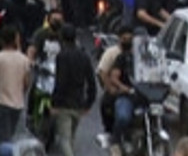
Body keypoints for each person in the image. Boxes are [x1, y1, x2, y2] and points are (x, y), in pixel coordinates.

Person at [50, 25, 96, 156]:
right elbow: (91, 81)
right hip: (79, 102)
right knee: (71, 137)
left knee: (64, 140)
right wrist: (89, 102)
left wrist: (54, 102)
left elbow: (60, 81)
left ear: (62, 38)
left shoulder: (62, 56)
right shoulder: (84, 56)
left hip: (64, 104)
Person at [0, 26, 31, 145]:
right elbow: (26, 83)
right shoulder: (24, 59)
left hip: (1, 101)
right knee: (10, 134)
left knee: (3, 138)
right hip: (18, 103)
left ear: (1, 40)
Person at [99, 25, 138, 150]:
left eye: (130, 38)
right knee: (120, 115)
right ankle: (113, 139)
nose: (128, 41)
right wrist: (113, 88)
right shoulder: (115, 54)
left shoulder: (142, 56)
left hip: (141, 95)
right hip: (123, 93)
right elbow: (104, 73)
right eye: (125, 38)